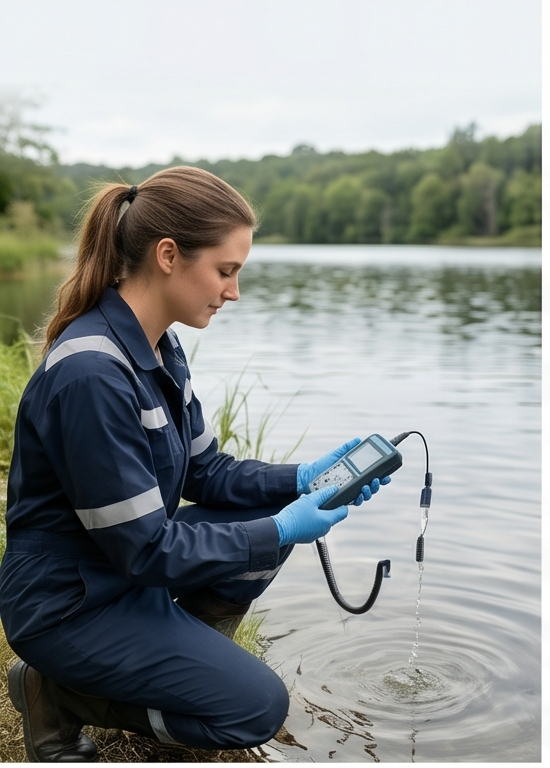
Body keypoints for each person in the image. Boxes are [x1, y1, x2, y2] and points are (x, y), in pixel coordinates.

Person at [0, 166, 389, 762]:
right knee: (256, 708)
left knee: (266, 507)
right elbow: (145, 550)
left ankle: (181, 671)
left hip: (118, 575)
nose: (233, 291)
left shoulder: (159, 345)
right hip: (70, 604)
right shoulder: (92, 375)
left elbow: (209, 474)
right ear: (167, 255)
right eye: (225, 271)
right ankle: (58, 693)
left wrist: (302, 479)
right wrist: (280, 531)